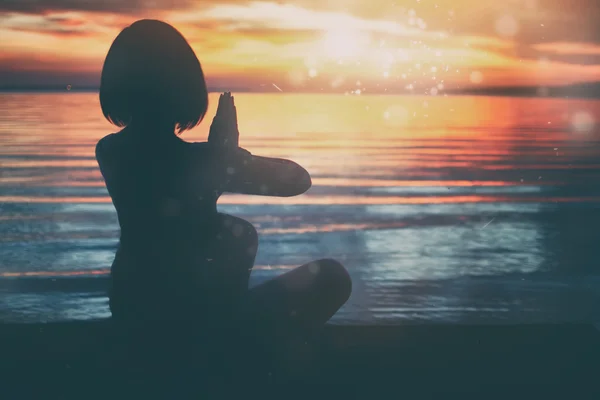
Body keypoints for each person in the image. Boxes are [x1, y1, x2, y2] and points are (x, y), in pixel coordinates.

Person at [94, 20, 352, 353]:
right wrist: (227, 156)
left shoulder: (110, 151)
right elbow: (297, 180)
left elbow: (172, 197)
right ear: (184, 89)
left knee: (232, 232)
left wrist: (222, 159)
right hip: (205, 326)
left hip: (133, 314)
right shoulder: (199, 162)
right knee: (331, 276)